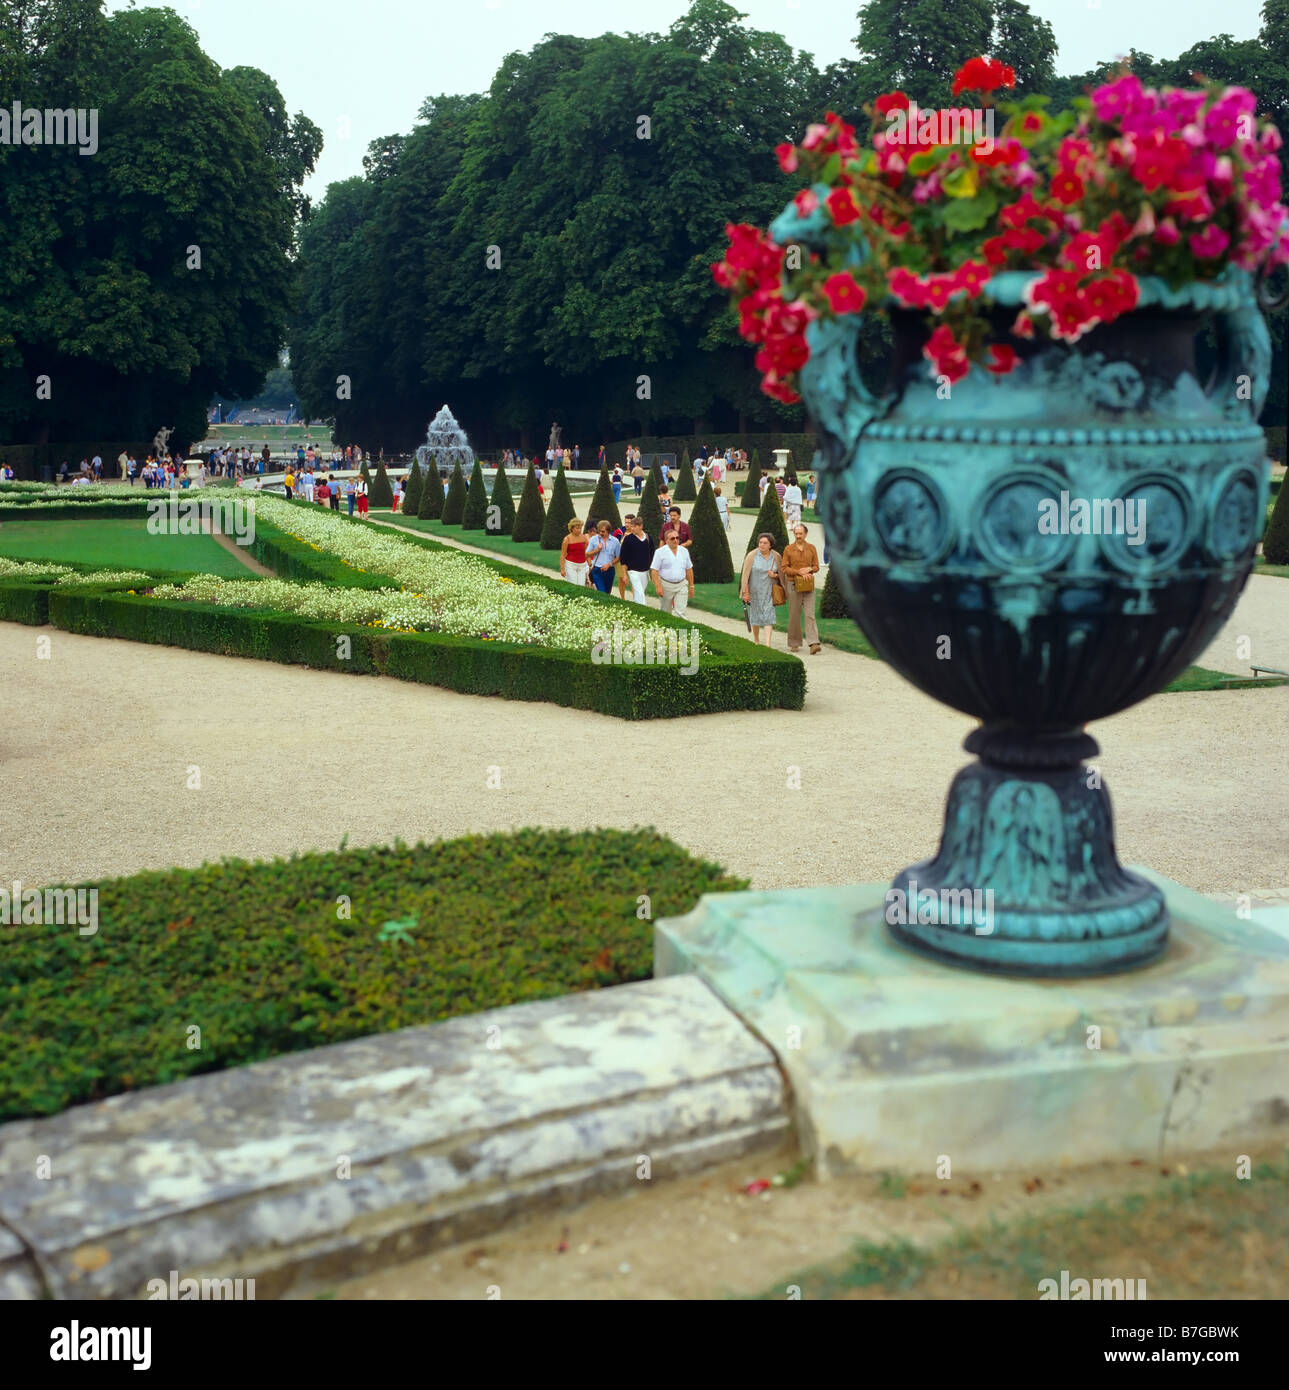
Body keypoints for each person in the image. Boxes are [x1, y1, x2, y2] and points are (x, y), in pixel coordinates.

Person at [781, 522, 822, 655]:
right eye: (796, 533)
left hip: (808, 585)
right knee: (794, 614)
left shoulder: (811, 548)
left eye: (800, 533)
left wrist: (809, 569)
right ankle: (794, 642)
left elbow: (816, 566)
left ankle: (813, 643)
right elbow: (784, 568)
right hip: (793, 585)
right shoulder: (788, 549)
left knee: (810, 615)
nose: (798, 536)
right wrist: (798, 572)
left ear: (805, 534)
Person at [739, 532, 782, 647]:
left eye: (765, 543)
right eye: (760, 542)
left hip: (769, 590)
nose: (762, 545)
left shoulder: (776, 556)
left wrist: (775, 575)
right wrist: (745, 592)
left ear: (770, 545)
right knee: (756, 617)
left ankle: (768, 644)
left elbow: (782, 574)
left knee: (769, 616)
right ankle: (756, 639)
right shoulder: (752, 555)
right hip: (754, 591)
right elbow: (745, 576)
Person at [650, 528, 694, 616]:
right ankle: (666, 630)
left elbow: (689, 569)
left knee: (680, 612)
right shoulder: (659, 552)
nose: (675, 540)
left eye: (677, 538)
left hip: (682, 585)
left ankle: (682, 630)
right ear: (666, 540)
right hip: (666, 585)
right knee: (665, 612)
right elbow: (654, 570)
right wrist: (658, 586)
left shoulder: (684, 551)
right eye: (672, 538)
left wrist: (691, 586)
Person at [620, 515, 653, 604]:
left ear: (641, 526)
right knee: (639, 592)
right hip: (633, 571)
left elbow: (652, 555)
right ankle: (645, 610)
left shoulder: (648, 538)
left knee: (639, 593)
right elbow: (623, 558)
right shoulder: (628, 539)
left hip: (645, 571)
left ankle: (635, 607)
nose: (632, 528)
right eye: (631, 526)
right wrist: (624, 574)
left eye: (634, 526)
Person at [587, 520, 620, 594]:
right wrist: (597, 550)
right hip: (597, 570)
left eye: (603, 531)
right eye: (599, 531)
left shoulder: (615, 541)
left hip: (610, 571)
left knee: (607, 593)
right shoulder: (593, 539)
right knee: (602, 592)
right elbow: (587, 554)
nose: (600, 533)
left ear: (608, 531)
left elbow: (618, 557)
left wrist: (609, 564)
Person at [561, 518, 591, 587]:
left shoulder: (584, 538)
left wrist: (590, 564)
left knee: (581, 586)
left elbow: (587, 552)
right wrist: (562, 569)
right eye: (577, 528)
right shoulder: (567, 539)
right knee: (573, 585)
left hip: (582, 565)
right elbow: (563, 555)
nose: (579, 530)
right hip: (570, 565)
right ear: (571, 528)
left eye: (580, 528)